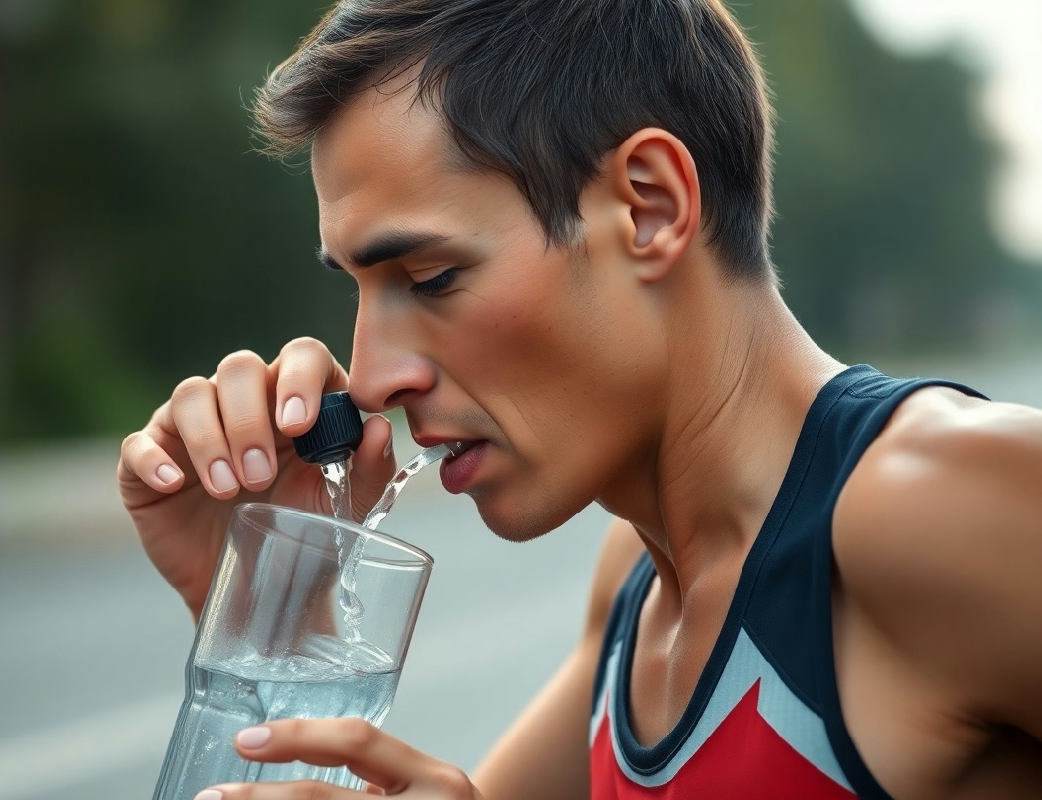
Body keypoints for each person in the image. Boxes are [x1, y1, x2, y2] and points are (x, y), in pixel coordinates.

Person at [117, 0, 1042, 797]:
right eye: (357, 290)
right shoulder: (637, 591)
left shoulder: (945, 507)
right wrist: (272, 621)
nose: (370, 379)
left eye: (431, 277)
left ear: (647, 205)